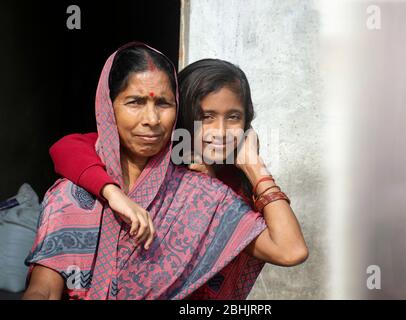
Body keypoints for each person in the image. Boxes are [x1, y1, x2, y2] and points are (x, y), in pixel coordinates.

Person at [23, 43, 308, 300]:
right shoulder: (72, 194)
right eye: (135, 102)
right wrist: (113, 193)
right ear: (108, 108)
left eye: (163, 103)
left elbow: (290, 249)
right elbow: (67, 147)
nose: (150, 119)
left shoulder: (207, 195)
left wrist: (254, 167)